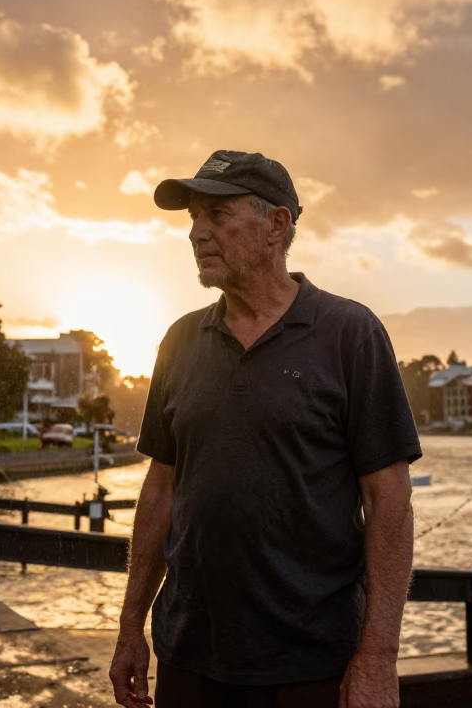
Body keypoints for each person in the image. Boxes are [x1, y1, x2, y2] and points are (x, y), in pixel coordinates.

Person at [109, 151, 421, 708]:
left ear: (276, 225)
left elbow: (389, 499)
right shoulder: (179, 342)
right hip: (189, 654)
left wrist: (378, 655)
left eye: (217, 215)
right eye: (192, 218)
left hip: (312, 661)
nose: (198, 233)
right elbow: (161, 488)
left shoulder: (351, 334)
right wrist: (131, 626)